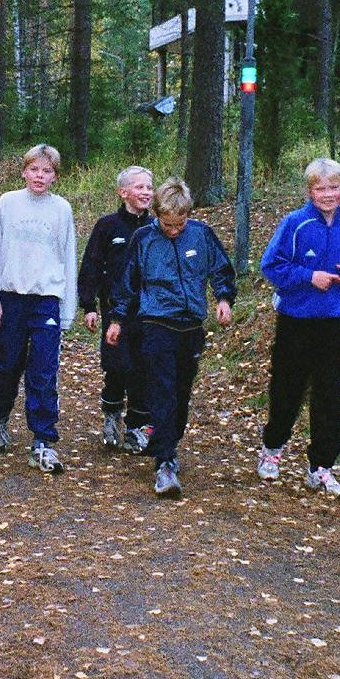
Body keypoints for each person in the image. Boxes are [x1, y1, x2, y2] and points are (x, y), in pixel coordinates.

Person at [108, 177, 235, 499]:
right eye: (167, 224)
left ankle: (167, 440)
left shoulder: (202, 235)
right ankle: (165, 463)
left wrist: (223, 300)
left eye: (180, 224)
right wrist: (117, 319)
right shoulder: (144, 239)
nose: (174, 230)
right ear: (157, 215)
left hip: (191, 326)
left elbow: (222, 270)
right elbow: (127, 283)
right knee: (162, 390)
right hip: (156, 323)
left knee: (181, 393)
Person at [256, 157, 340, 496]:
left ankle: (321, 467)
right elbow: (272, 266)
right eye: (320, 188)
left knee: (329, 393)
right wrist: (310, 277)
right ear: (310, 191)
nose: (328, 194)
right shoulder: (294, 223)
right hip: (296, 319)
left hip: (335, 320)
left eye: (334, 187)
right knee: (287, 389)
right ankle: (272, 450)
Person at [0, 143, 78, 475]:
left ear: (55, 176)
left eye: (47, 171)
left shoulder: (61, 210)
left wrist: (67, 311)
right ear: (24, 171)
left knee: (44, 370)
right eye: (35, 169)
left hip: (46, 299)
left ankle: (43, 440)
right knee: (8, 366)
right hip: (10, 297)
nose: (40, 176)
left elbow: (68, 259)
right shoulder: (7, 203)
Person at [77, 165, 154, 452]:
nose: (146, 192)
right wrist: (89, 305)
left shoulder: (156, 227)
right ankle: (111, 418)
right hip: (114, 313)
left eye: (149, 187)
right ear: (123, 192)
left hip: (149, 312)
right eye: (139, 187)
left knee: (143, 370)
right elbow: (92, 265)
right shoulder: (107, 226)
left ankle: (136, 429)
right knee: (118, 367)